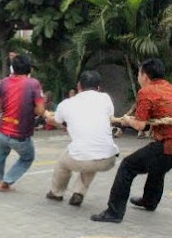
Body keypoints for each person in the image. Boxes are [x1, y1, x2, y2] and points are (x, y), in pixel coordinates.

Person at [90, 59, 172, 223]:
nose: (138, 77)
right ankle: (149, 200)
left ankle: (114, 212)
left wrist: (127, 120)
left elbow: (140, 125)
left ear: (145, 76)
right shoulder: (171, 89)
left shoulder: (146, 92)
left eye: (139, 73)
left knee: (128, 165)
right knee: (158, 165)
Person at [44, 71, 119, 206]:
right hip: (108, 158)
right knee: (93, 156)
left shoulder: (66, 104)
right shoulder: (106, 98)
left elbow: (55, 121)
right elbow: (109, 116)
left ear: (79, 86)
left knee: (63, 163)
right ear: (98, 88)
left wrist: (46, 116)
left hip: (80, 158)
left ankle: (56, 192)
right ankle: (79, 192)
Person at [0, 55, 46, 191]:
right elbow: (40, 110)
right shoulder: (33, 84)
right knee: (27, 157)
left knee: (0, 152)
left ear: (13, 68)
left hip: (3, 130)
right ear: (29, 68)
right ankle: (7, 181)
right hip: (20, 134)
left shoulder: (4, 82)